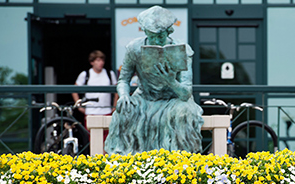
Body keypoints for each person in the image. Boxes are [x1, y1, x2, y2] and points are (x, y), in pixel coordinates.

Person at [105, 6, 204, 155]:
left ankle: (179, 161)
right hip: (144, 99)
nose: (157, 41)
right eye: (153, 36)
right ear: (145, 32)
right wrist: (124, 95)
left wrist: (171, 82)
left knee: (184, 113)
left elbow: (186, 94)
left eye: (161, 36)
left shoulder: (182, 50)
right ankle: (128, 163)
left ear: (169, 32)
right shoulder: (134, 49)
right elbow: (123, 80)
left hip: (173, 100)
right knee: (125, 110)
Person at [72, 50, 118, 119]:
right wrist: (79, 106)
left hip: (106, 111)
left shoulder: (110, 74)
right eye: (98, 60)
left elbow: (117, 90)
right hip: (91, 112)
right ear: (92, 62)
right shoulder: (85, 74)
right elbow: (74, 90)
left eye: (102, 60)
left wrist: (115, 106)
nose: (101, 63)